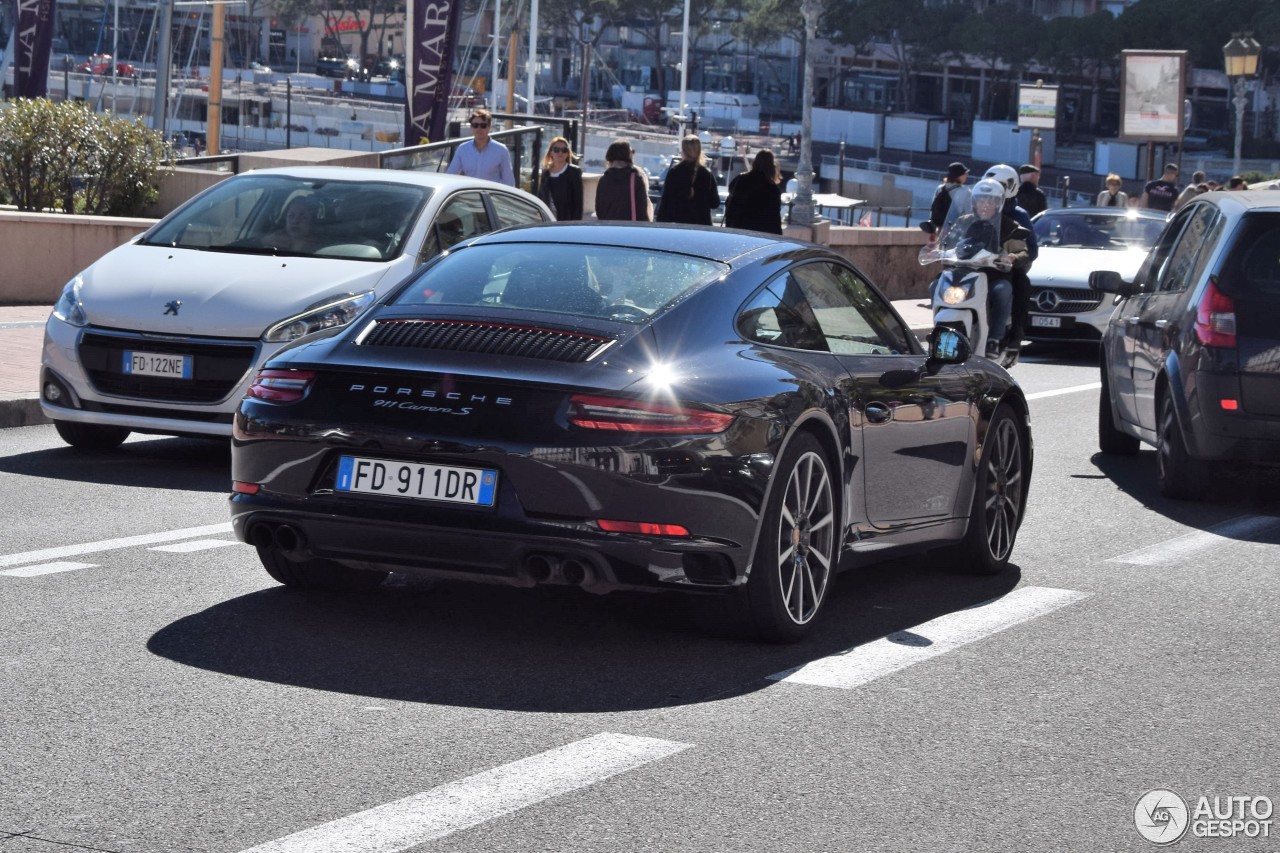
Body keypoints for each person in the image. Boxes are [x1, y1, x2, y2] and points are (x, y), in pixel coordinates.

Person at [950, 178, 1031, 358]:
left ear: (999, 204)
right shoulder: (963, 222)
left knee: (1003, 290)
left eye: (991, 201)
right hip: (964, 276)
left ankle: (994, 339)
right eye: (981, 200)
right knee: (936, 285)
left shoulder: (1010, 225)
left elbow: (1022, 251)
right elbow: (949, 242)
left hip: (994, 277)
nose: (985, 205)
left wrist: (1011, 257)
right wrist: (939, 251)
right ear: (974, 203)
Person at [656, 134, 720, 226]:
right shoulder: (707, 174)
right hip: (700, 227)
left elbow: (665, 202)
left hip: (677, 225)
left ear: (684, 151)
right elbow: (715, 203)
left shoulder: (674, 172)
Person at [445, 107, 515, 186]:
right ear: (471, 128)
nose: (479, 129)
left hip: (491, 197)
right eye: (475, 125)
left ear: (489, 127)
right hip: (470, 195)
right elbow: (450, 176)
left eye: (483, 125)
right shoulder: (463, 149)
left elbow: (509, 182)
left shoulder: (501, 150)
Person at [723, 149, 783, 234]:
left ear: (755, 162)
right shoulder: (772, 188)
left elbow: (730, 205)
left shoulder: (739, 180)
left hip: (738, 230)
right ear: (772, 166)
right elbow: (774, 218)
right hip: (760, 234)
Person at [593, 139, 652, 221]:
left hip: (608, 229)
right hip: (629, 230)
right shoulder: (636, 180)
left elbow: (599, 210)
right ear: (629, 157)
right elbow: (642, 212)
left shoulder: (603, 180)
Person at [536, 136, 583, 221]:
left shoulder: (574, 172)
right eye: (556, 150)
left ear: (568, 153)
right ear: (551, 152)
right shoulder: (546, 172)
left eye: (564, 150)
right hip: (547, 220)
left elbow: (578, 204)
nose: (560, 153)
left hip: (566, 222)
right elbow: (540, 197)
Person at [920, 162, 971, 237]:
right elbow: (968, 213)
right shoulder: (965, 191)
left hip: (941, 229)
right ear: (958, 176)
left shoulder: (940, 188)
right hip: (957, 229)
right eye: (965, 173)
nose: (967, 175)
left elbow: (934, 208)